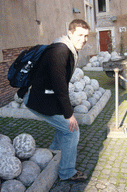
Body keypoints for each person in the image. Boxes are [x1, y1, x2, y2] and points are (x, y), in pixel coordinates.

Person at [21, 19, 90, 181]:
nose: (83, 39)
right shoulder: (61, 51)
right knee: (72, 130)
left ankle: (55, 153)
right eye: (80, 34)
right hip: (37, 98)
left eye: (86, 36)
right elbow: (60, 86)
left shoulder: (67, 48)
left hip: (46, 95)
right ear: (70, 33)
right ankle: (67, 171)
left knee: (64, 128)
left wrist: (64, 109)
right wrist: (69, 114)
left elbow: (58, 85)